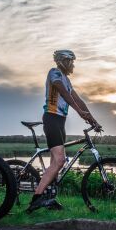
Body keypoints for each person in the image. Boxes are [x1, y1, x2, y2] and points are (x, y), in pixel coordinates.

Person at [27, 50, 101, 213]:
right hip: (52, 118)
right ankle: (36, 199)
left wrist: (93, 120)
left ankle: (50, 198)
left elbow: (79, 100)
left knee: (56, 163)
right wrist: (79, 112)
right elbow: (63, 92)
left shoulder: (67, 80)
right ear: (64, 61)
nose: (73, 65)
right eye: (71, 62)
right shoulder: (55, 73)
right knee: (60, 161)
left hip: (60, 121)